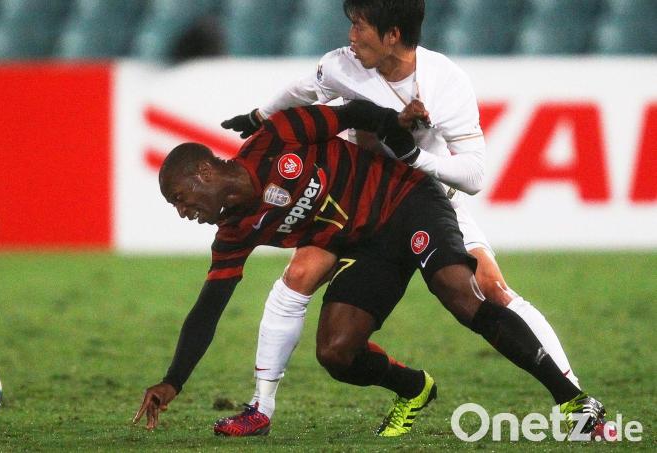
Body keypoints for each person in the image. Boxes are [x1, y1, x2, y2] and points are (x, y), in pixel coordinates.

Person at [217, 0, 592, 436]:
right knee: (299, 275)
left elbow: (473, 174)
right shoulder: (342, 66)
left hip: (428, 198)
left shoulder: (444, 82)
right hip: (356, 201)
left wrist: (416, 158)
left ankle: (576, 399)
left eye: (359, 24)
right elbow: (302, 89)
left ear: (392, 34)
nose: (350, 34)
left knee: (489, 288)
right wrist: (260, 116)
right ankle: (260, 408)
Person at [133, 100, 603, 437]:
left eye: (179, 198)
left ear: (203, 173)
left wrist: (399, 133)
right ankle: (414, 388)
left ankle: (573, 400)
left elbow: (353, 113)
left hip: (408, 200)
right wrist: (173, 379)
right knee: (336, 352)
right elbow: (208, 309)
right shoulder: (234, 232)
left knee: (460, 293)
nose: (183, 211)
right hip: (375, 246)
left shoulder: (278, 137)